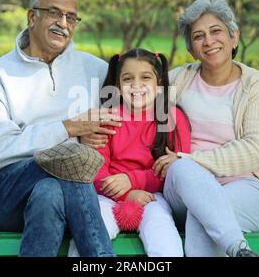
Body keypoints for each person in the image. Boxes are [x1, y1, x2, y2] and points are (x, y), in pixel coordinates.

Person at [0, 0, 121, 257]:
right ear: (32, 17)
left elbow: (130, 114)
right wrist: (70, 130)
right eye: (54, 13)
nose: (63, 24)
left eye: (71, 17)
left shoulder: (96, 69)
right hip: (3, 193)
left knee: (49, 191)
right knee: (71, 160)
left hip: (60, 198)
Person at [153, 0, 259, 257]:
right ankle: (240, 250)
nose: (209, 41)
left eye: (216, 31)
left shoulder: (256, 85)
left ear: (234, 38)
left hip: (247, 188)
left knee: (204, 214)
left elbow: (258, 148)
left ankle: (237, 249)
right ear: (192, 49)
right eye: (199, 36)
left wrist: (192, 159)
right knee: (184, 174)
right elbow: (137, 108)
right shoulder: (177, 81)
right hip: (183, 187)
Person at [69, 49, 191, 256]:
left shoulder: (172, 117)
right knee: (91, 231)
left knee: (163, 234)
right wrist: (127, 193)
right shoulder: (106, 117)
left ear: (159, 83)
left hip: (153, 196)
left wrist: (132, 180)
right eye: (127, 79)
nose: (136, 85)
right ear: (117, 85)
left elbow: (174, 171)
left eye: (145, 77)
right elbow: (96, 171)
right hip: (106, 194)